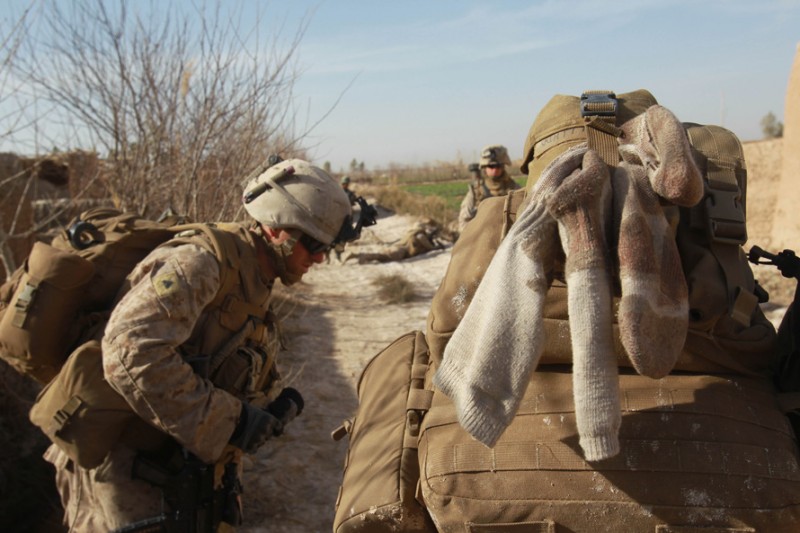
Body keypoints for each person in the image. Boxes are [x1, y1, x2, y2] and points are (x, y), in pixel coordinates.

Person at [43, 159, 357, 531]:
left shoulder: (254, 274)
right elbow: (130, 352)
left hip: (172, 463)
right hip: (120, 465)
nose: (320, 258)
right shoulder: (200, 264)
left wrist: (262, 408)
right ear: (275, 229)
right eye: (313, 244)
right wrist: (233, 421)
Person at [457, 144, 521, 231]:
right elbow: (463, 223)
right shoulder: (476, 192)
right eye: (491, 166)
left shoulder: (514, 190)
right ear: (484, 167)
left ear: (503, 167)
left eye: (498, 166)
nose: (495, 169)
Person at [346, 217, 453, 264]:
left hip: (398, 247)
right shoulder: (420, 235)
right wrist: (436, 247)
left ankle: (357, 256)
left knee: (382, 256)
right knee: (383, 257)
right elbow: (429, 247)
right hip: (401, 251)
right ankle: (359, 256)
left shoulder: (412, 232)